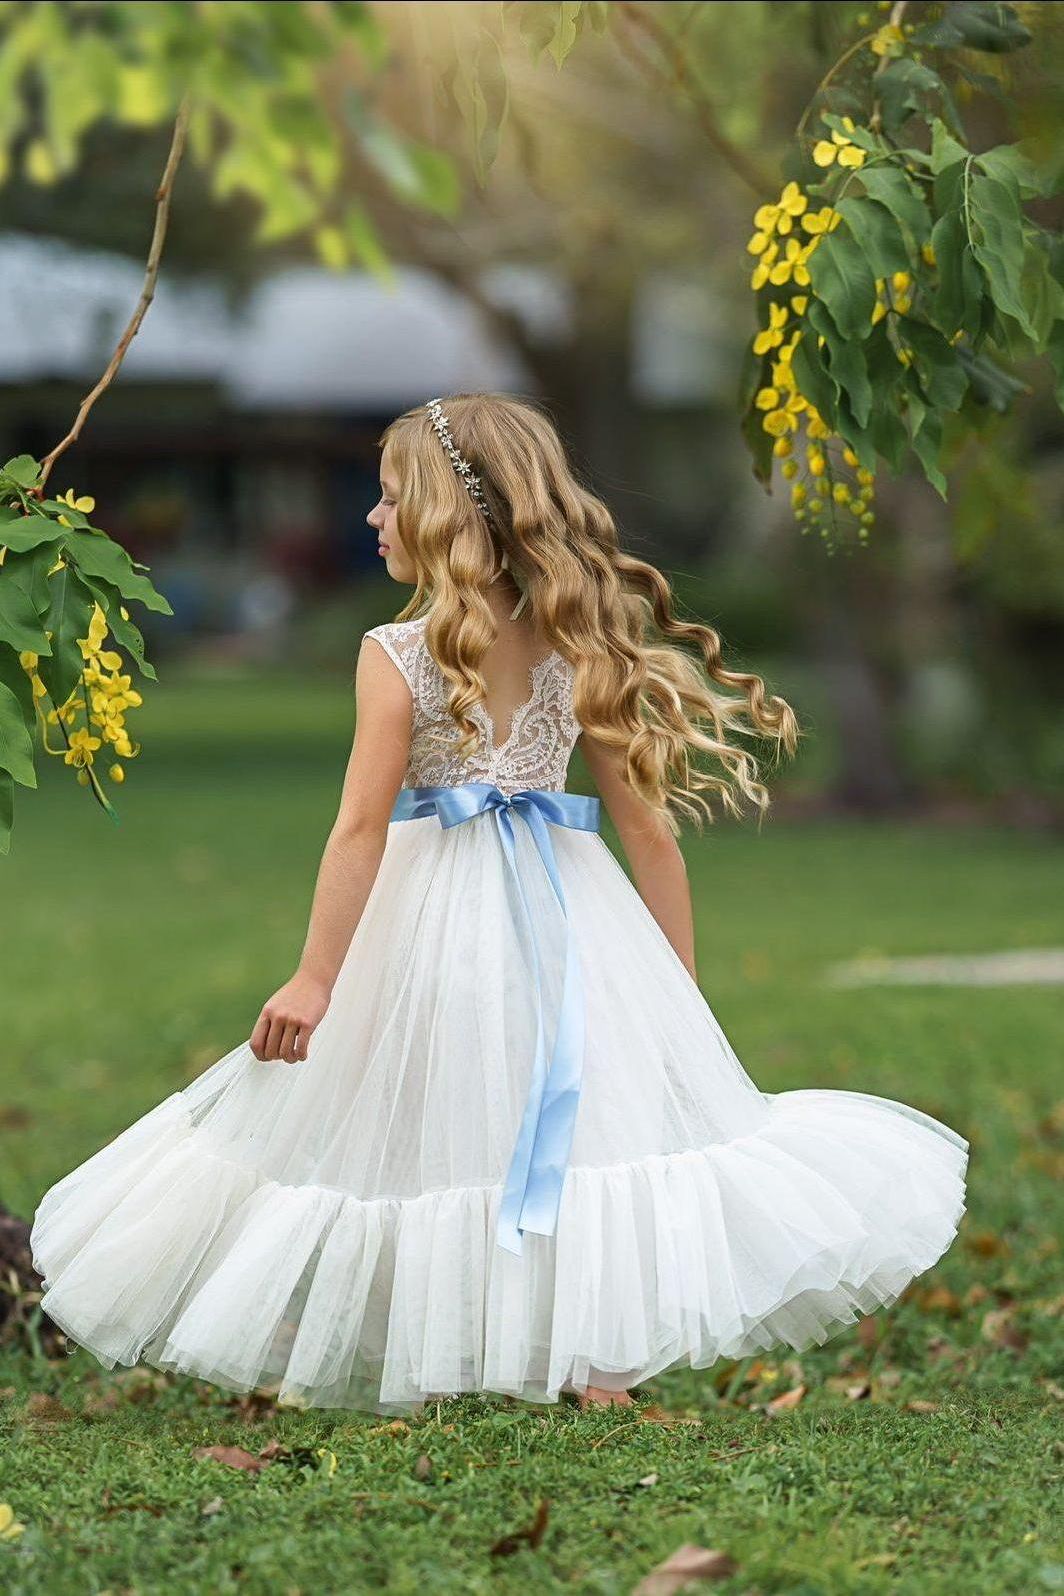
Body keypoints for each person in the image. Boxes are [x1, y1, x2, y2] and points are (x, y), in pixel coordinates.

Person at [30, 393, 968, 1417]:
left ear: (446, 516)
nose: (373, 521)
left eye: (390, 502)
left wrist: (318, 976)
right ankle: (578, 1359)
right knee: (565, 1122)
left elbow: (358, 828)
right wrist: (668, 989)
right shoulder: (580, 637)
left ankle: (503, 1346)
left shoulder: (397, 653)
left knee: (451, 1112)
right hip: (570, 908)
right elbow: (647, 841)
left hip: (442, 905)